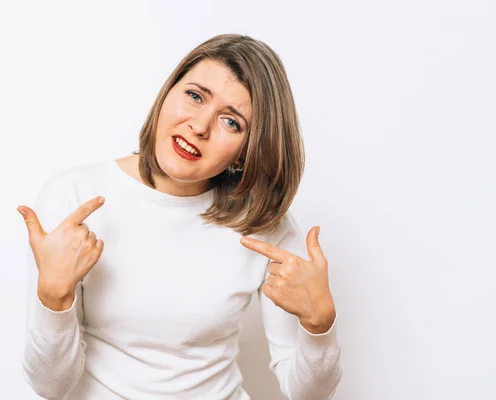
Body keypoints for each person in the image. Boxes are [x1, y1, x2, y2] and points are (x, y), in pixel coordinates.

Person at [17, 34, 342, 400]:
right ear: (167, 93)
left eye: (231, 122)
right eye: (195, 96)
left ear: (245, 152)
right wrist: (53, 299)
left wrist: (320, 326)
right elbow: (50, 386)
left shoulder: (262, 226)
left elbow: (307, 394)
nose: (199, 126)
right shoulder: (73, 197)